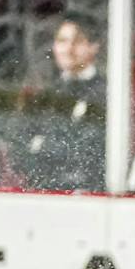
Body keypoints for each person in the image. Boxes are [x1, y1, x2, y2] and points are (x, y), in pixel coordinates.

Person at [19, 11, 108, 193]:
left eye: (77, 41)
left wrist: (45, 146)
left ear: (94, 46)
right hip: (44, 192)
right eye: (62, 41)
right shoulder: (45, 92)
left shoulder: (107, 93)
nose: (68, 49)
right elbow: (22, 144)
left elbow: (89, 151)